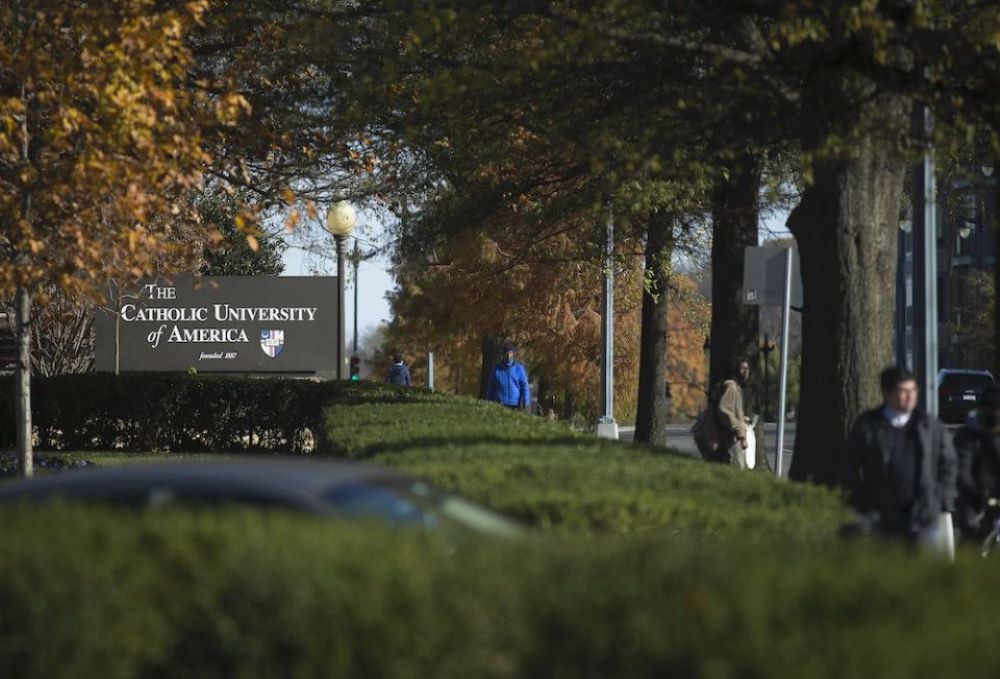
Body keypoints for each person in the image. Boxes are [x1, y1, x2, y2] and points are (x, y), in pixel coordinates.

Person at [840, 366, 957, 546]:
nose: (910, 396)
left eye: (913, 390)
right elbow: (848, 465)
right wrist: (859, 501)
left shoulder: (929, 425)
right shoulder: (868, 426)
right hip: (880, 516)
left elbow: (948, 464)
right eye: (903, 391)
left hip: (923, 516)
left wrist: (939, 499)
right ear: (886, 393)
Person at [953, 386, 1000, 540]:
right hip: (973, 498)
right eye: (992, 408)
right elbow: (962, 471)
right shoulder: (966, 436)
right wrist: (979, 495)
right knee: (971, 532)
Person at [714, 357, 753, 469]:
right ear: (735, 370)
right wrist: (739, 429)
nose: (745, 371)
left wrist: (742, 419)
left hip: (734, 437)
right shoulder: (731, 387)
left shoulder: (736, 388)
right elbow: (723, 409)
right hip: (732, 438)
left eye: (747, 368)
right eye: (742, 368)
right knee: (737, 468)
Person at [487, 343, 530, 411]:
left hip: (515, 404)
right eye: (506, 353)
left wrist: (526, 401)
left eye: (510, 353)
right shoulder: (496, 370)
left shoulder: (519, 369)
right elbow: (491, 386)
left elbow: (524, 386)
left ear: (513, 354)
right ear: (503, 355)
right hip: (500, 403)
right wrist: (488, 400)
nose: (508, 355)